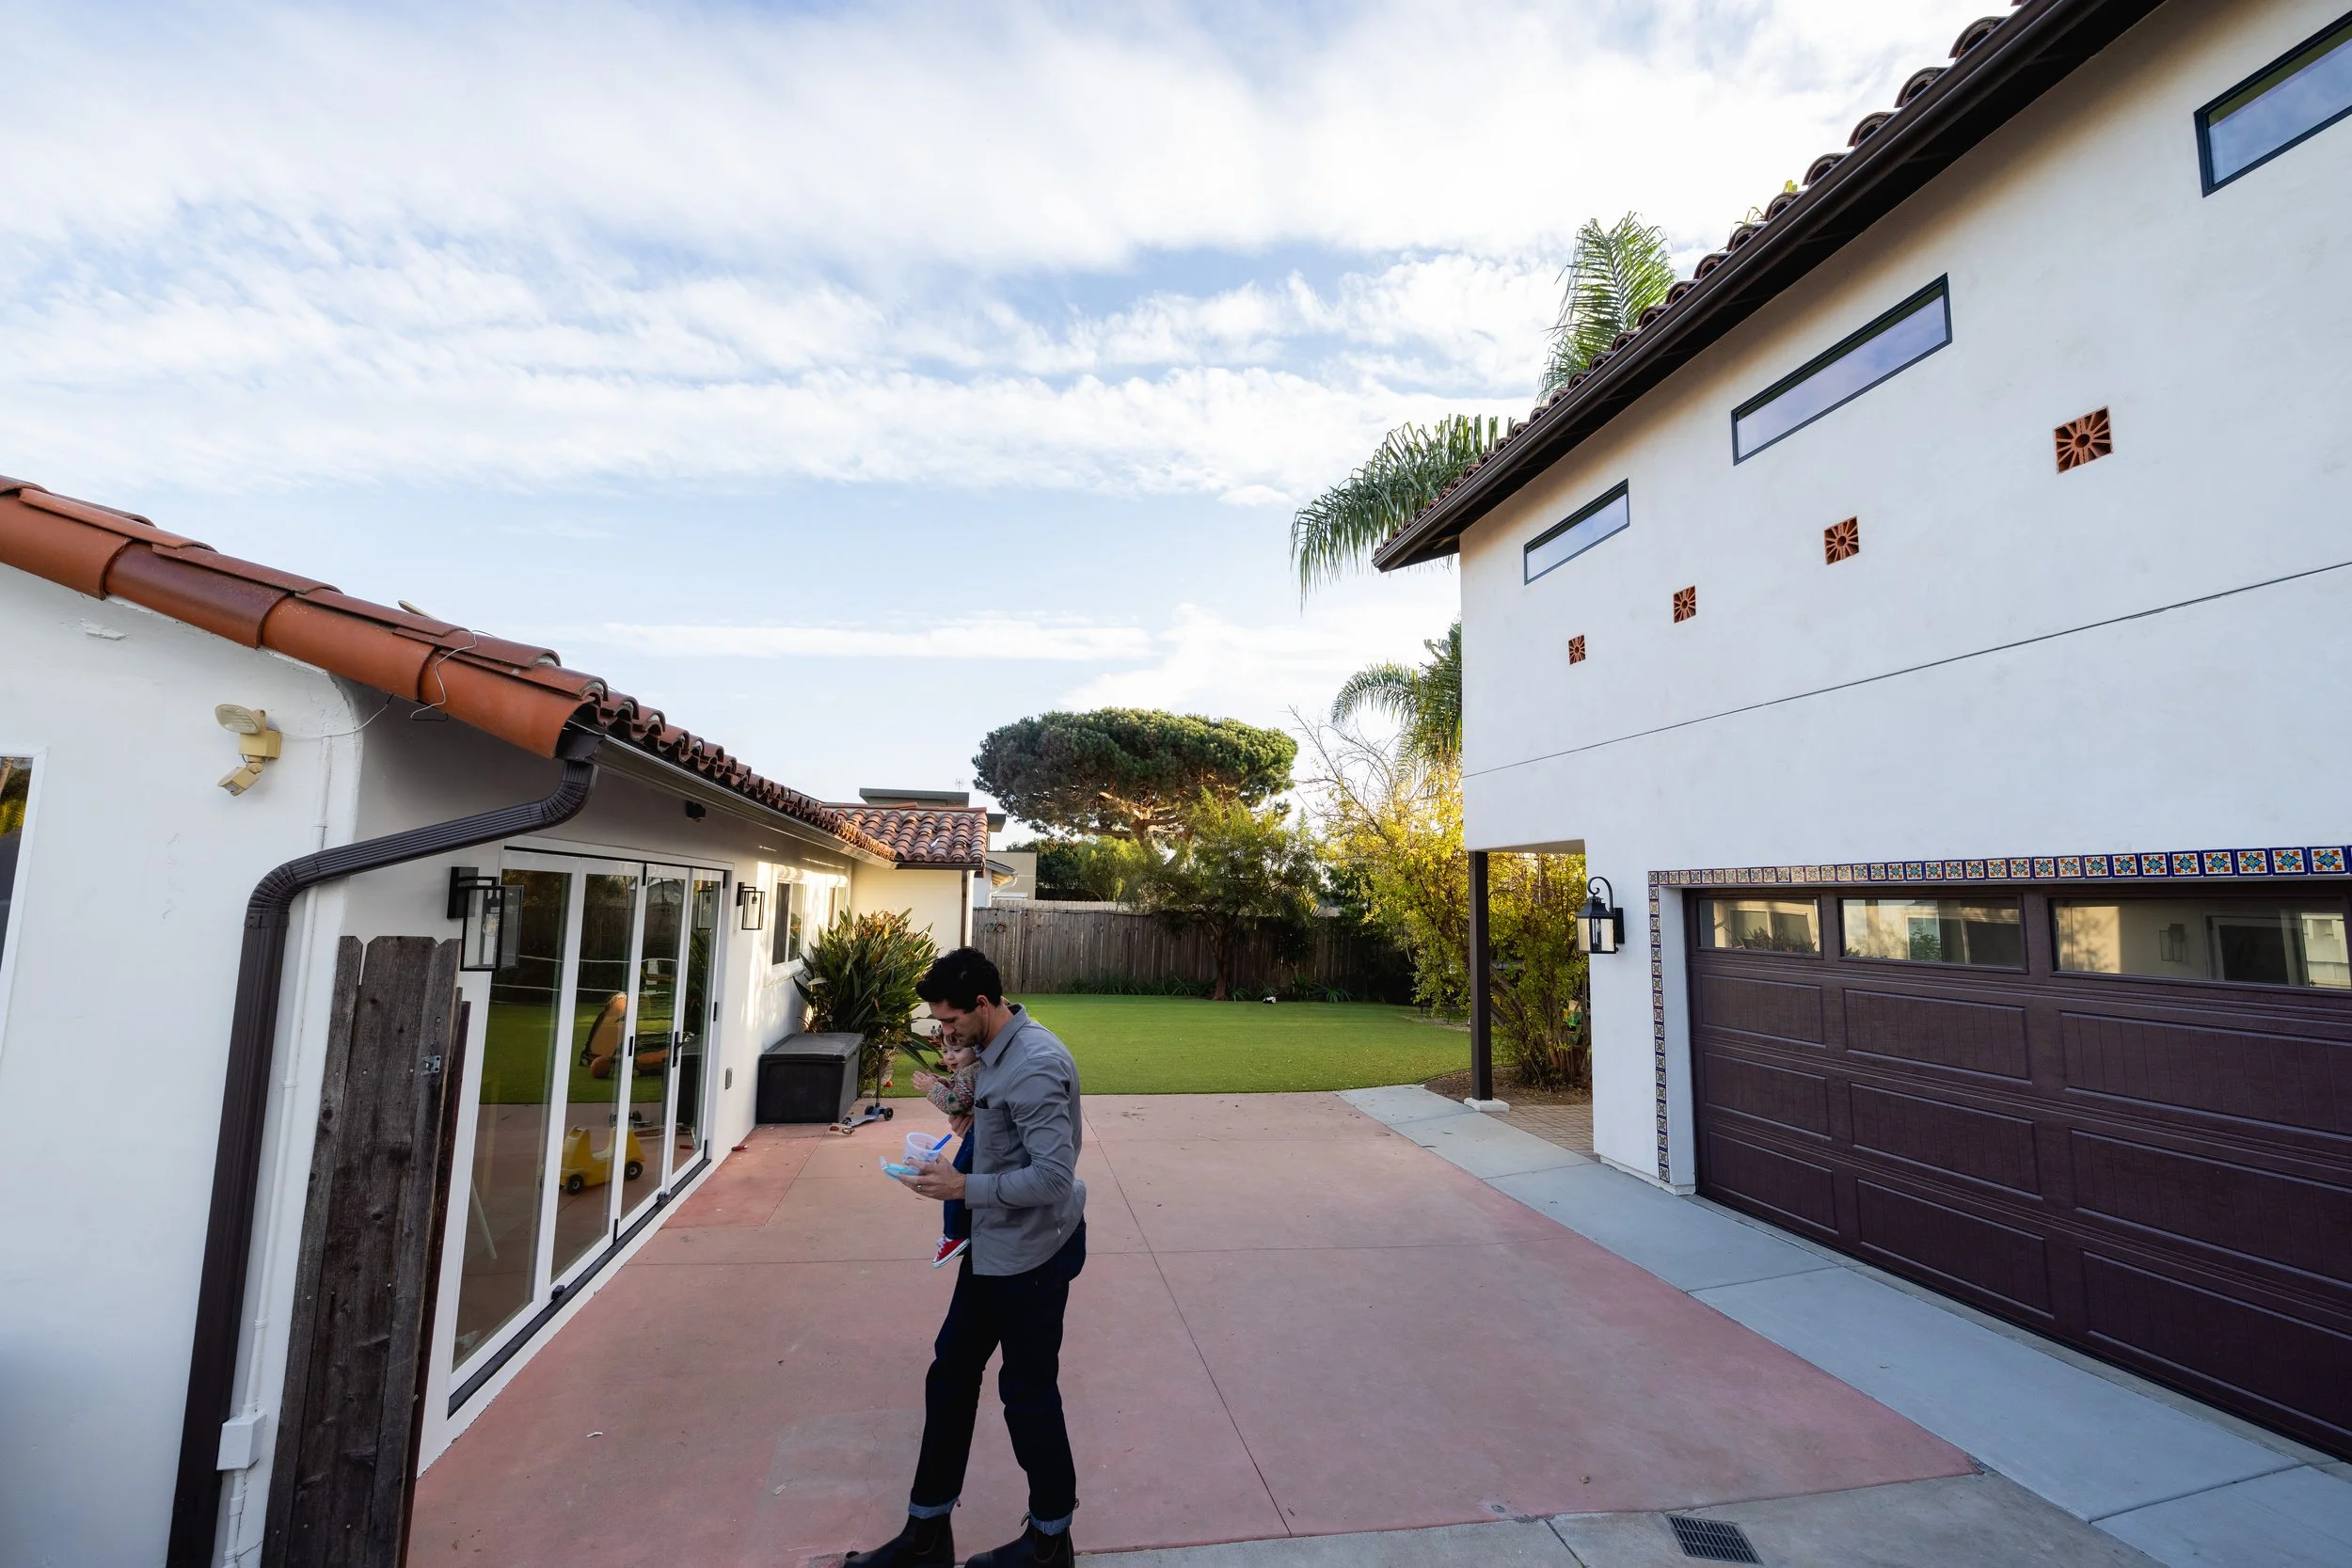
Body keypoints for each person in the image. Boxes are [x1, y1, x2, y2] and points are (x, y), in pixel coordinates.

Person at [847, 947, 1088, 1568]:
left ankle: (1049, 1542)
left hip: (1034, 1253)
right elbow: (984, 1124)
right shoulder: (994, 1054)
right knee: (951, 1371)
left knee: (1027, 1389)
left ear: (983, 1004)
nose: (944, 1033)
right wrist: (949, 1131)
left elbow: (1055, 1177)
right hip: (993, 1244)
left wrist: (962, 1188)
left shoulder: (1033, 1064)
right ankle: (926, 1536)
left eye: (951, 1021)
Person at [910, 1037, 979, 1267]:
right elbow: (964, 1095)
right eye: (945, 1050)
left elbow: (955, 1104)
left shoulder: (972, 1071)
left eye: (957, 1050)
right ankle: (956, 1232)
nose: (948, 1057)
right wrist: (943, 1084)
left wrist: (933, 1090)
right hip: (978, 1132)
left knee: (956, 1181)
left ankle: (955, 1234)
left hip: (978, 1135)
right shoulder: (972, 1069)